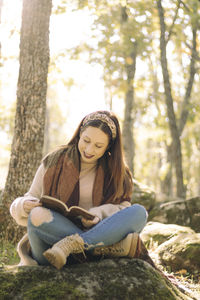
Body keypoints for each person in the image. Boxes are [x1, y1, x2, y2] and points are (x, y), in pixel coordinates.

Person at [10, 110, 148, 270]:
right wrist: (23, 204)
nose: (89, 150)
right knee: (36, 215)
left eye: (98, 146)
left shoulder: (118, 172)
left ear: (108, 146)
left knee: (139, 212)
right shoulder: (54, 160)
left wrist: (98, 214)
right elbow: (29, 196)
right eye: (86, 140)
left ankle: (76, 245)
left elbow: (123, 209)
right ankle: (98, 249)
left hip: (87, 235)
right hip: (50, 248)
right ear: (80, 133)